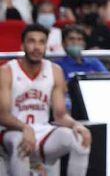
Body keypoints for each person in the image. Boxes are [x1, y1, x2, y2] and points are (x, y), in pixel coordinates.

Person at [0, 24, 91, 175]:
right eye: (32, 41)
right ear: (22, 45)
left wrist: (76, 125)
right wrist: (25, 128)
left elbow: (60, 115)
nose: (37, 47)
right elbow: (2, 115)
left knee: (80, 139)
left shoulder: (55, 71)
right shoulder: (7, 71)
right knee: (19, 140)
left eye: (41, 42)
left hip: (41, 131)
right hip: (10, 131)